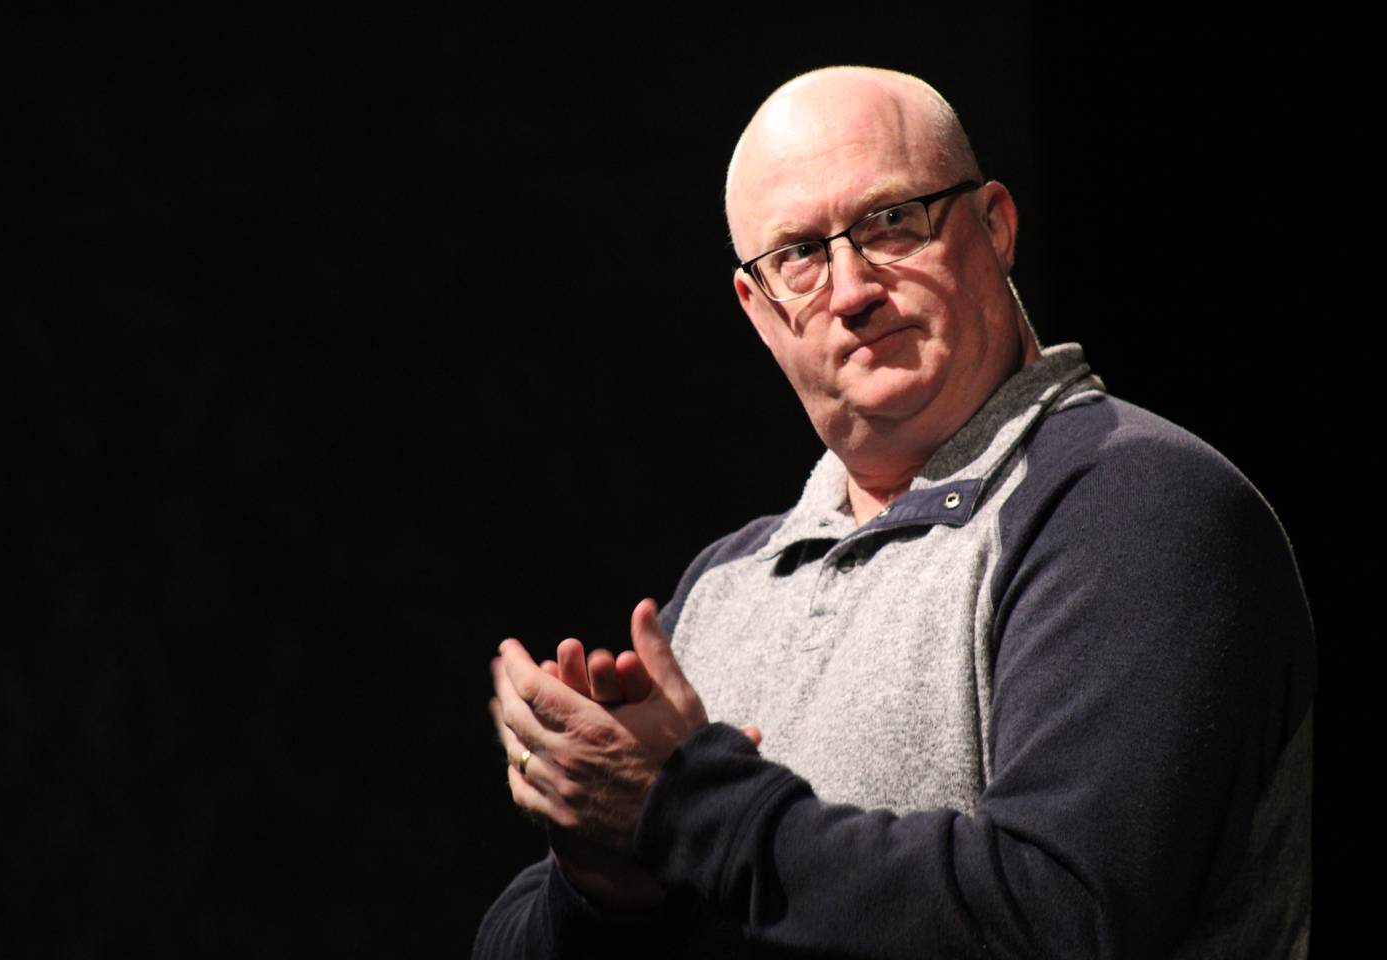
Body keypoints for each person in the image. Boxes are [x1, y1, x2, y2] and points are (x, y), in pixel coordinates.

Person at [476, 67, 1316, 959]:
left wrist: (681, 810)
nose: (851, 291)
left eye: (889, 223)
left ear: (994, 226)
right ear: (758, 311)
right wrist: (607, 883)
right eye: (798, 254)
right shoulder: (727, 587)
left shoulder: (1136, 504)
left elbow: (1062, 918)